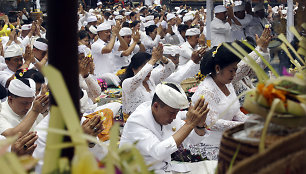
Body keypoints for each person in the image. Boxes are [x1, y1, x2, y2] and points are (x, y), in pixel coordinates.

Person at [120, 82, 209, 172]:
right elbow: (158, 152)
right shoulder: (137, 121)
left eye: (177, 112)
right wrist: (189, 124)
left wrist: (199, 125)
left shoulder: (171, 116)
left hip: (163, 169)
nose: (174, 117)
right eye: (171, 113)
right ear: (156, 106)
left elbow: (192, 140)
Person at [190, 42, 248, 160]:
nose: (234, 74)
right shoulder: (206, 91)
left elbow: (235, 111)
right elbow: (212, 123)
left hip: (227, 140)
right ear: (217, 68)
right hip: (209, 146)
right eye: (231, 71)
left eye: (235, 70)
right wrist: (245, 126)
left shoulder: (227, 84)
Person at [121, 44, 175, 115]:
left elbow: (170, 68)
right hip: (136, 121)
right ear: (134, 69)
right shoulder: (127, 83)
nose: (149, 71)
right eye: (145, 68)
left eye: (150, 67)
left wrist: (161, 57)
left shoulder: (151, 79)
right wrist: (153, 59)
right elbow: (140, 77)